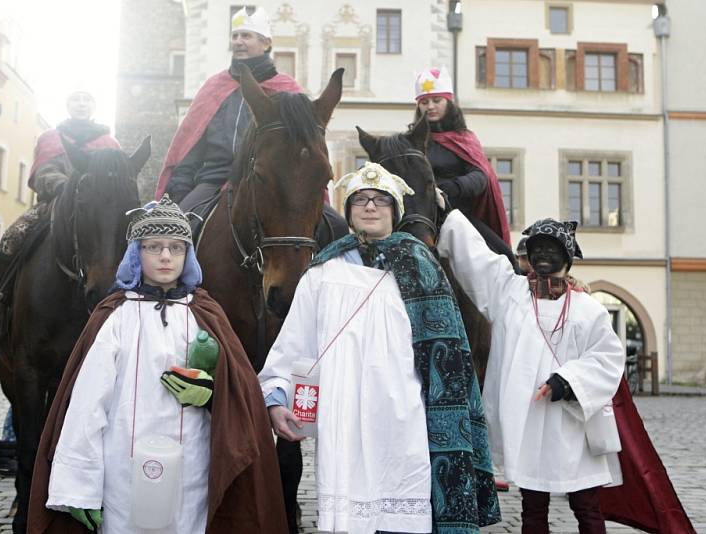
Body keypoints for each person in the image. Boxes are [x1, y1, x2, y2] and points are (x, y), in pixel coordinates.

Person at [259, 163, 500, 534]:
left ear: (395, 211)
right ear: (349, 210)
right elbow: (294, 343)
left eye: (381, 200)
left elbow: (450, 359)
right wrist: (276, 398)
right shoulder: (323, 273)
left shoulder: (423, 268)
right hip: (344, 421)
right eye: (360, 200)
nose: (370, 207)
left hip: (405, 419)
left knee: (404, 515)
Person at [27, 194, 286, 534]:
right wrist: (79, 487)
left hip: (192, 471)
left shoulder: (206, 314)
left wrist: (212, 393)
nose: (166, 256)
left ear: (187, 255)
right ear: (137, 253)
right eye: (154, 246)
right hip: (122, 470)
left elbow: (240, 389)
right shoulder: (115, 317)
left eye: (176, 247)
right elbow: (88, 404)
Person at [437, 201, 625, 534]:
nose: (542, 256)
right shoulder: (509, 294)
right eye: (536, 248)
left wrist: (566, 382)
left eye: (551, 249)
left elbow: (608, 357)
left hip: (574, 425)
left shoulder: (587, 309)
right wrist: (446, 213)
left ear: (567, 257)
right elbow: (477, 260)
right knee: (532, 507)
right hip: (530, 422)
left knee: (586, 506)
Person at [0, 90, 120, 342]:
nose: (81, 104)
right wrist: (67, 188)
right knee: (11, 239)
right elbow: (44, 172)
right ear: (68, 104)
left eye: (86, 100)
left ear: (94, 105)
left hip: (96, 211)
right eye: (76, 99)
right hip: (55, 204)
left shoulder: (109, 144)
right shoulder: (51, 138)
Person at [155, 6, 303, 210]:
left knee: (334, 225)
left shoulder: (288, 91)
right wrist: (180, 190)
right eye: (235, 36)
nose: (238, 41)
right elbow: (191, 145)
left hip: (271, 180)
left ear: (266, 43)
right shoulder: (214, 87)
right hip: (213, 180)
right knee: (180, 229)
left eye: (246, 36)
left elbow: (303, 142)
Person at [413, 67, 516, 268]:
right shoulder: (411, 140)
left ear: (448, 103)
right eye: (424, 102)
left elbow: (481, 176)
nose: (430, 107)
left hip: (457, 216)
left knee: (505, 257)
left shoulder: (464, 138)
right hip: (419, 216)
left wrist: (451, 188)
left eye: (436, 100)